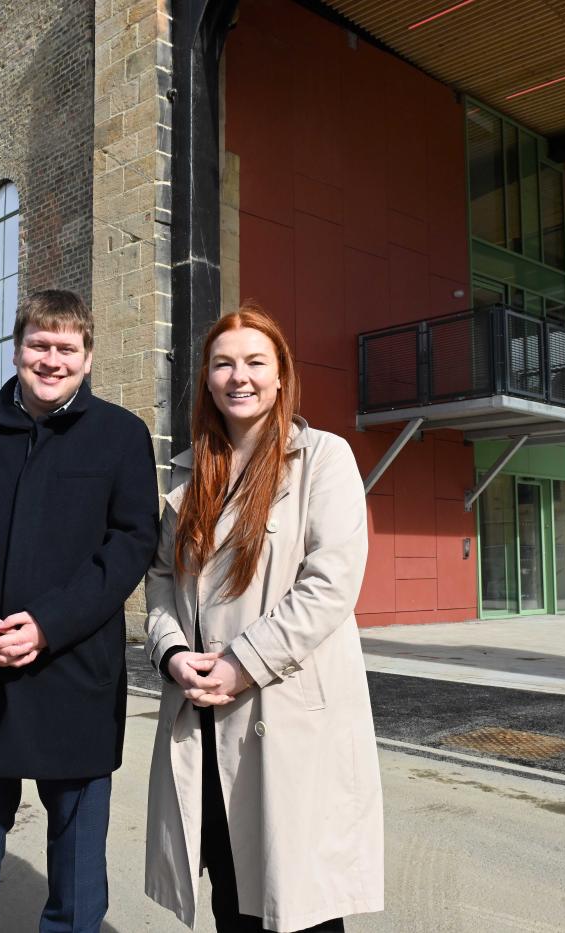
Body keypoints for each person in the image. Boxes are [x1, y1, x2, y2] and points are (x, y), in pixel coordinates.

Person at [0, 289, 159, 933]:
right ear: (16, 348)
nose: (51, 360)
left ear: (88, 357)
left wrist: (49, 624)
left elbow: (131, 544)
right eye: (38, 346)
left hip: (74, 670)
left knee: (78, 853)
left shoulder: (121, 435)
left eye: (66, 348)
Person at [143, 304, 383, 933]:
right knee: (233, 899)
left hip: (288, 718)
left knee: (297, 905)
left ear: (281, 377)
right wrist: (171, 653)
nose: (238, 376)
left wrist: (242, 664)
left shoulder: (323, 460)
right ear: (206, 379)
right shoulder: (191, 473)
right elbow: (162, 579)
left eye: (255, 362)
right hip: (206, 713)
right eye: (223, 363)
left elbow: (330, 584)